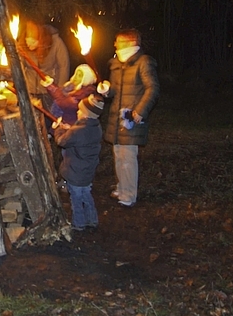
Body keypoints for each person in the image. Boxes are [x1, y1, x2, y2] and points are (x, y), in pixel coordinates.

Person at [103, 29, 160, 207]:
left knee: (128, 157)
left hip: (131, 119)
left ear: (130, 42)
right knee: (119, 155)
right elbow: (115, 90)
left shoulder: (143, 62)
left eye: (118, 41)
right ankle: (122, 187)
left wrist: (140, 111)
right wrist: (106, 90)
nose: (115, 44)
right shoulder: (117, 64)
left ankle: (129, 195)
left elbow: (153, 88)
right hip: (117, 117)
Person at [53, 93, 104, 231]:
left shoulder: (77, 132)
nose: (77, 111)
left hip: (75, 172)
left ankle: (79, 224)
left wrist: (58, 128)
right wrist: (69, 129)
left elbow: (61, 141)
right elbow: (79, 135)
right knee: (86, 195)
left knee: (75, 199)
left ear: (86, 114)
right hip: (87, 171)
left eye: (80, 110)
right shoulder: (95, 128)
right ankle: (92, 220)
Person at [19, 19, 71, 110]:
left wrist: (59, 91)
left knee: (48, 118)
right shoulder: (22, 44)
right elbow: (19, 66)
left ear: (41, 40)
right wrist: (21, 86)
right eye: (28, 41)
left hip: (49, 92)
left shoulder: (56, 43)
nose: (28, 45)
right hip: (29, 90)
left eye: (33, 42)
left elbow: (64, 66)